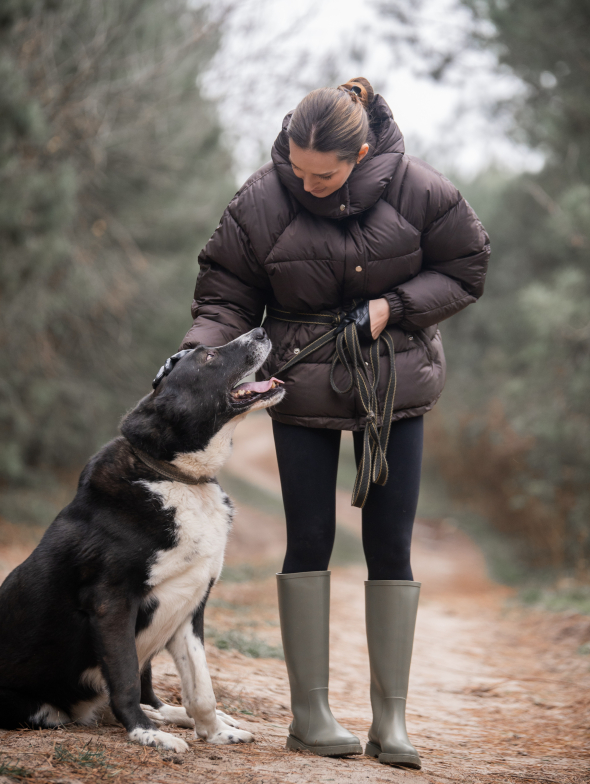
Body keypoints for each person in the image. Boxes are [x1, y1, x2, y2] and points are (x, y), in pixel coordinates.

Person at [181, 77, 490, 769]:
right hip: (302, 385)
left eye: (323, 173)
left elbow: (467, 268)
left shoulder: (423, 191)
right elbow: (227, 291)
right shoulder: (262, 198)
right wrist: (200, 351)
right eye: (296, 167)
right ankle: (310, 715)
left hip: (395, 381)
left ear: (361, 152)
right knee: (311, 538)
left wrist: (394, 307)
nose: (306, 182)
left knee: (390, 544)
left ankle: (392, 722)